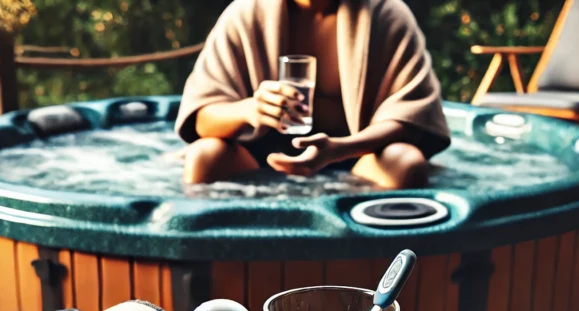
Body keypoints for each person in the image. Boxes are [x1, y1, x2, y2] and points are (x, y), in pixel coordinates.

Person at [175, 0, 451, 189]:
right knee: (204, 157)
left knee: (405, 163)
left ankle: (376, 268)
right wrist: (250, 110)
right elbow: (201, 118)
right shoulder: (247, 13)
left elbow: (412, 117)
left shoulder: (385, 14)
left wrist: (340, 149)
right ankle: (218, 271)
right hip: (262, 160)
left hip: (355, 158)